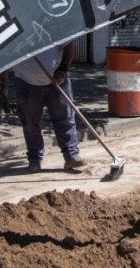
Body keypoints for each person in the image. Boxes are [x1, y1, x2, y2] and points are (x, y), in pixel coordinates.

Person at [12, 42, 85, 173]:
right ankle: (34, 160)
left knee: (65, 119)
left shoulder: (52, 25)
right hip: (26, 82)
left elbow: (69, 46)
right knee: (30, 123)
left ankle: (71, 156)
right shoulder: (14, 33)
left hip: (57, 81)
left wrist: (63, 68)